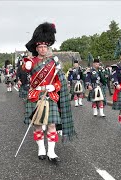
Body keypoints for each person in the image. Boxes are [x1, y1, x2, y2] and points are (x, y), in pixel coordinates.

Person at [23, 22, 75, 162]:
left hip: (50, 95)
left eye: (45, 47)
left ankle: (51, 152)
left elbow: (59, 80)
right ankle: (41, 148)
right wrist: (26, 65)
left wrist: (54, 87)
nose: (43, 49)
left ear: (48, 47)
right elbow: (25, 69)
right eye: (40, 47)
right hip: (36, 95)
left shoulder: (54, 62)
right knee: (38, 124)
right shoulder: (31, 61)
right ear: (37, 48)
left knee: (51, 124)